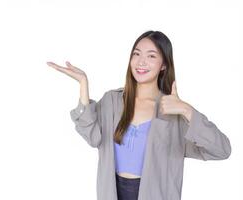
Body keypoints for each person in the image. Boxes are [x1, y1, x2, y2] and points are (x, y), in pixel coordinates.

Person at [46, 30, 232, 200]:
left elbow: (221, 150)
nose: (141, 62)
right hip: (112, 193)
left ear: (163, 65)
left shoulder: (173, 113)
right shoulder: (112, 101)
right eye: (136, 54)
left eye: (151, 56)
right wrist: (83, 85)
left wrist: (186, 110)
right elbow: (92, 137)